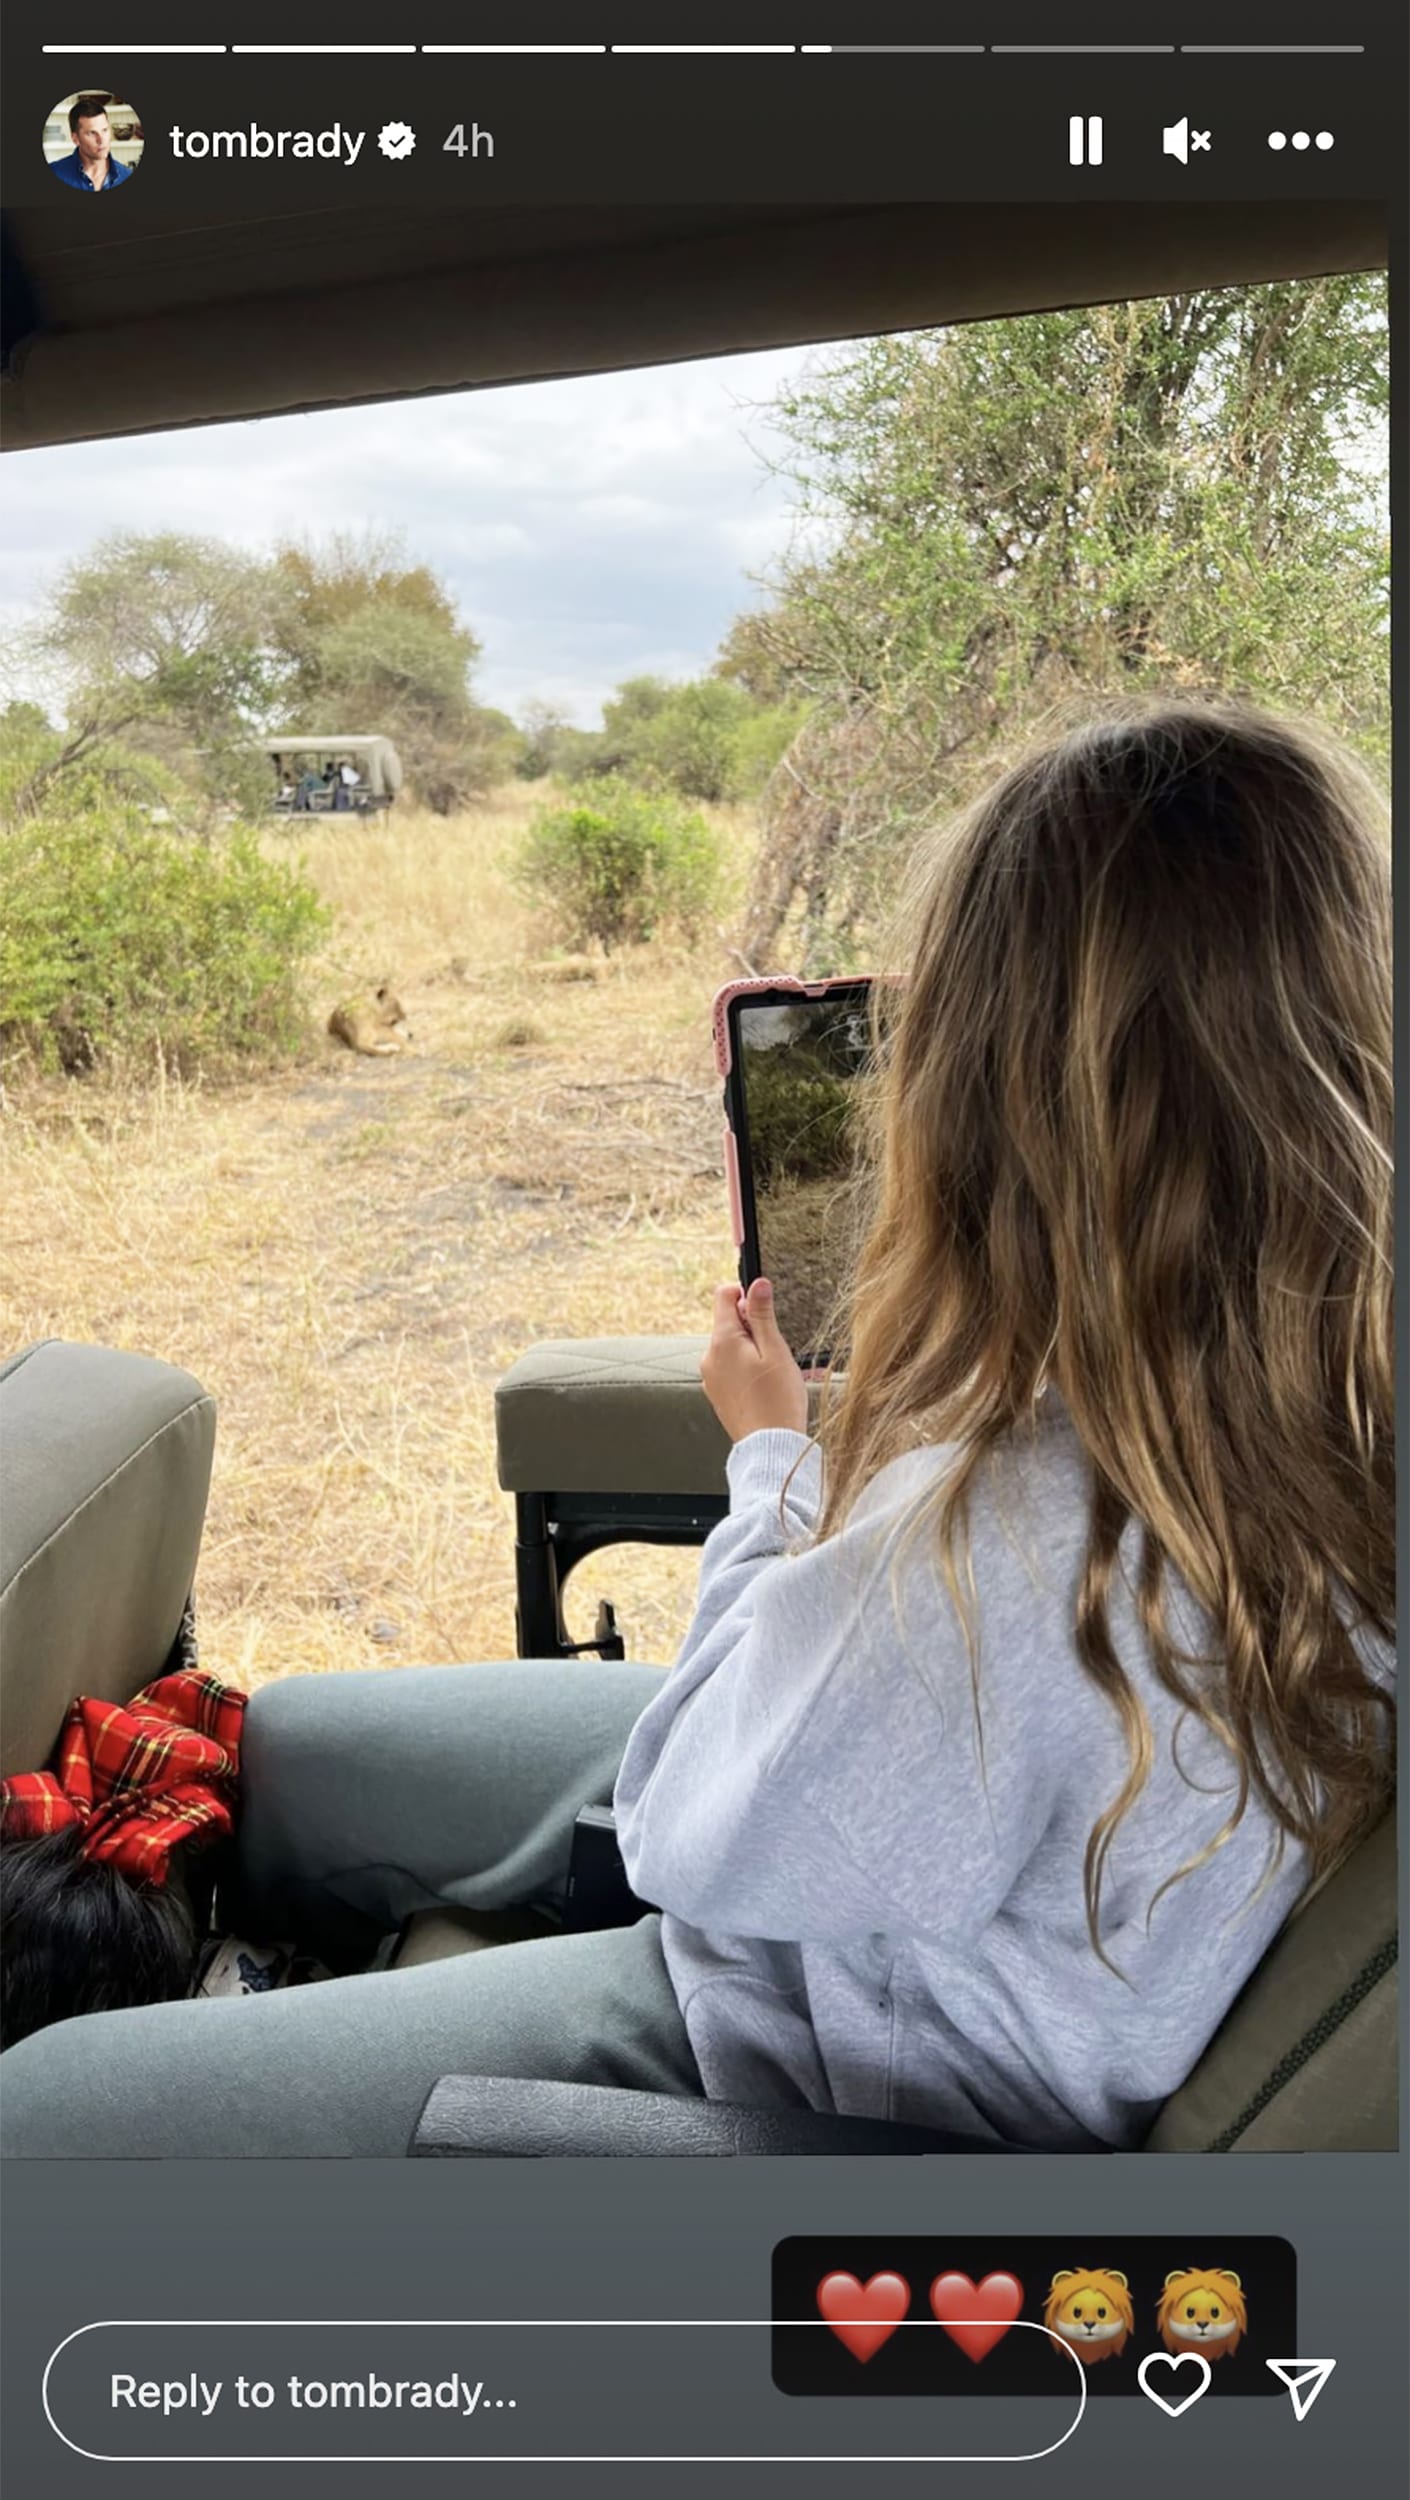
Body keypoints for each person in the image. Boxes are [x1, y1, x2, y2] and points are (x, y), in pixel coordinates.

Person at [0, 699, 1393, 2157]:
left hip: (799, 2046)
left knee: (42, 2115)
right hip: (878, 1912)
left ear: (988, 1106)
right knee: (287, 1745)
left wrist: (772, 1466)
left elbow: (681, 1841)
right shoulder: (1290, 1440)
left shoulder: (1008, 1539)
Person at [49, 94, 135, 193]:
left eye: (105, 130)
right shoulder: (55, 173)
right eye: (92, 133)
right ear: (75, 139)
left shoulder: (127, 176)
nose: (101, 140)